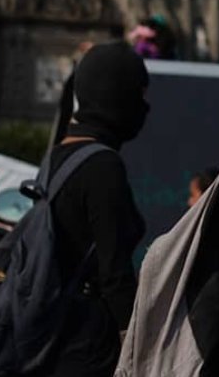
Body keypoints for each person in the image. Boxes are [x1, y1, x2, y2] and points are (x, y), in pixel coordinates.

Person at [42, 40, 150, 376]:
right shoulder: (103, 166)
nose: (145, 107)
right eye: (138, 94)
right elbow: (114, 272)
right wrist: (137, 351)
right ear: (118, 97)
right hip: (88, 348)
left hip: (51, 337)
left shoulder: (57, 157)